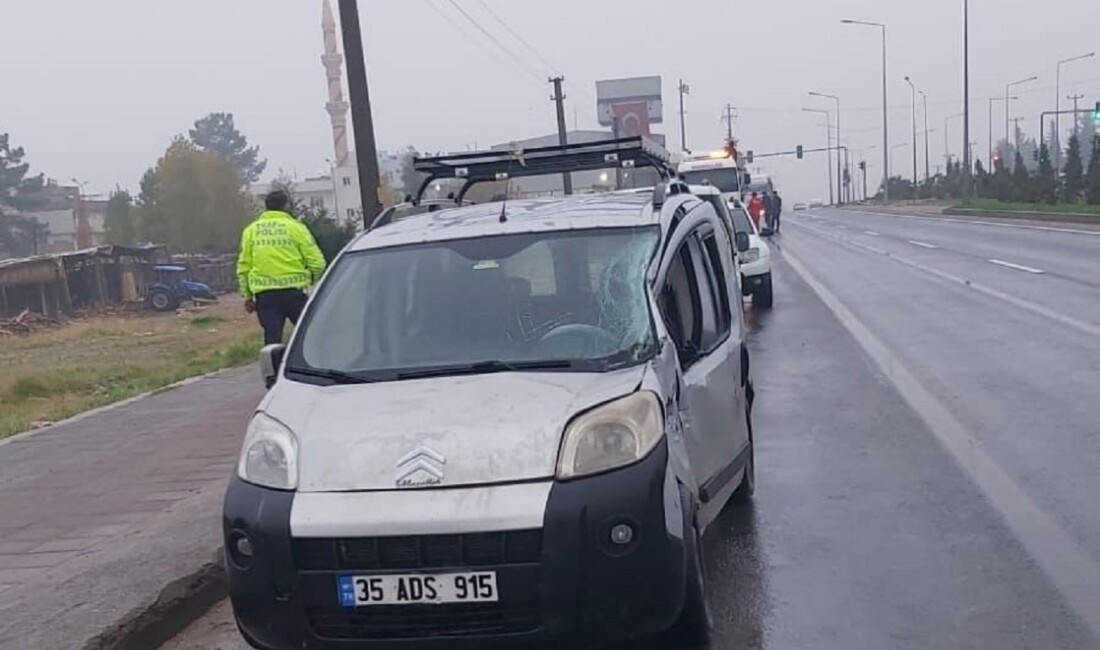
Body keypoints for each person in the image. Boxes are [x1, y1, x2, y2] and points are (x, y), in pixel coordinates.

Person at [236, 190, 327, 345]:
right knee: (309, 336)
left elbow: (244, 266)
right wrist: (311, 279)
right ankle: (311, 366)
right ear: (286, 206)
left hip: (265, 295)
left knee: (272, 339)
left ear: (266, 207)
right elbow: (318, 263)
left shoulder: (251, 231)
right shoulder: (296, 228)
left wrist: (248, 296)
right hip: (294, 293)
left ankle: (273, 368)